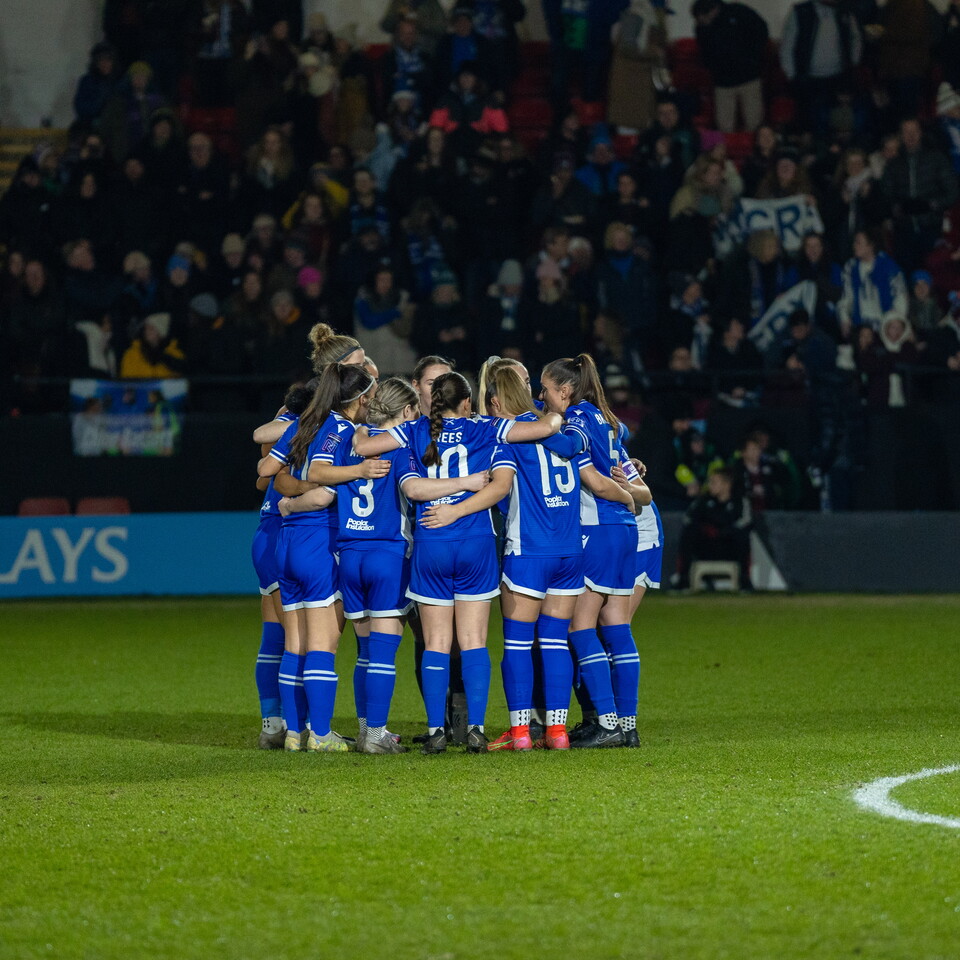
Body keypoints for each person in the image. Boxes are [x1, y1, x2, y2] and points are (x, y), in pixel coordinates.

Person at [352, 371, 564, 753]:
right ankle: (477, 730)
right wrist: (554, 417)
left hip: (432, 542)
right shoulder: (487, 428)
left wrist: (356, 428)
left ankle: (436, 731)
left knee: (435, 642)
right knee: (473, 642)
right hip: (475, 543)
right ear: (467, 402)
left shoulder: (414, 430)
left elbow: (364, 448)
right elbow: (526, 450)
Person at [257, 362, 390, 751]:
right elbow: (320, 472)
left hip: (287, 543)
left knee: (294, 644)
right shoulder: (343, 430)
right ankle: (321, 734)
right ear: (361, 399)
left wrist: (292, 494)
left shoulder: (305, 424)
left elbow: (266, 468)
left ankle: (295, 733)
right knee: (322, 645)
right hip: (321, 540)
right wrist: (358, 469)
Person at [539, 354, 643, 748]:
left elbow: (570, 444)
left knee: (578, 627)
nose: (541, 396)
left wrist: (531, 429)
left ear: (564, 391)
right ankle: (628, 723)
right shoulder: (608, 420)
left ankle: (608, 722)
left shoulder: (579, 418)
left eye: (546, 389)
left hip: (598, 528)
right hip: (624, 530)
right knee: (617, 627)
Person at [249, 379, 321, 748]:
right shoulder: (311, 425)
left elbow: (263, 481)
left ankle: (272, 723)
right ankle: (301, 726)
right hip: (284, 531)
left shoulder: (293, 427)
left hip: (266, 533)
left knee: (275, 635)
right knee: (301, 638)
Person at [779, 0, 863, 136]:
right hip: (807, 80)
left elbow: (855, 38)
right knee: (809, 124)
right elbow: (787, 45)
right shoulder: (800, 11)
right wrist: (792, 75)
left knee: (835, 123)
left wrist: (853, 61)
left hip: (838, 79)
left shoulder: (845, 11)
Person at [692, 0, 769, 133]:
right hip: (723, 82)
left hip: (749, 77)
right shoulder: (702, 28)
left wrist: (752, 56)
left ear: (712, 11)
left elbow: (761, 30)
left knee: (754, 123)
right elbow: (704, 53)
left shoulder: (738, 12)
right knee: (724, 126)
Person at [676, 467, 751, 589]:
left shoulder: (739, 502)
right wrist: (706, 530)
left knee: (742, 537)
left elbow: (745, 523)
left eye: (714, 482)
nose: (710, 485)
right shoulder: (703, 501)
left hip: (729, 547)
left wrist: (724, 532)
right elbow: (689, 520)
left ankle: (744, 580)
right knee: (689, 533)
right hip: (707, 547)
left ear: (727, 485)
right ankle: (683, 580)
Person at [837, 230, 908, 337]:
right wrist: (844, 318)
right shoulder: (851, 267)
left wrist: (894, 323)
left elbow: (900, 297)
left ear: (870, 246)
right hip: (860, 326)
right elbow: (846, 297)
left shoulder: (889, 266)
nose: (854, 246)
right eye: (854, 242)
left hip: (885, 327)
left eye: (858, 242)